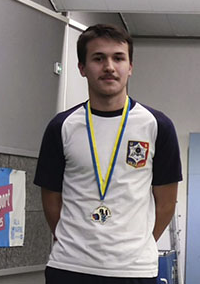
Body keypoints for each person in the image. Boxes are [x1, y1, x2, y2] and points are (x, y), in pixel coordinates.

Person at [35, 24, 182, 284]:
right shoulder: (62, 127)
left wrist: (136, 248)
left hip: (134, 271)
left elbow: (166, 204)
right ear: (82, 68)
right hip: (70, 267)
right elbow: (51, 200)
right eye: (98, 58)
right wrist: (74, 244)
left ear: (130, 67)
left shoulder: (157, 126)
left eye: (118, 58)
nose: (109, 67)